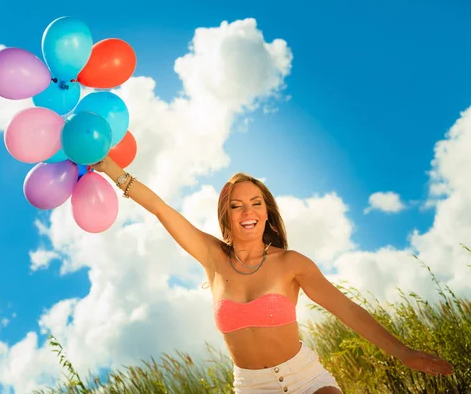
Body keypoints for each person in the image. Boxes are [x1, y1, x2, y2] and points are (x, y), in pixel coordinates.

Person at [90, 155, 454, 394]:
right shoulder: (213, 258)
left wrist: (403, 351)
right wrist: (112, 170)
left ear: (267, 211)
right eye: (236, 205)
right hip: (251, 386)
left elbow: (348, 311)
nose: (247, 211)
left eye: (256, 203)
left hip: (306, 379)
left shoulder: (291, 263)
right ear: (226, 215)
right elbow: (160, 208)